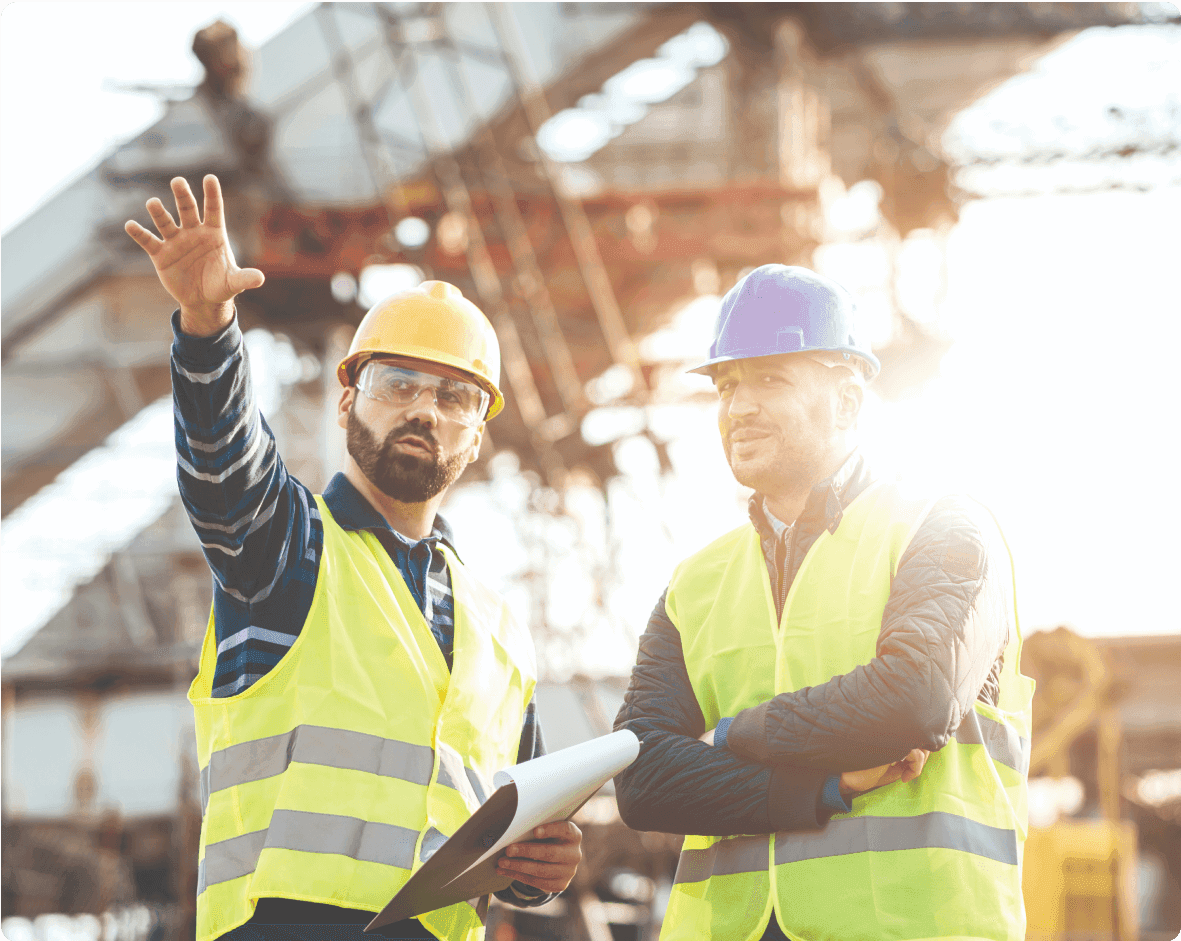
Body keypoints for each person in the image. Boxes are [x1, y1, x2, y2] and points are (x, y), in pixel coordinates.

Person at [125, 175, 582, 941]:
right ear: (347, 401)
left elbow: (505, 820)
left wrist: (543, 868)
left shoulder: (499, 632)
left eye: (453, 397)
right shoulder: (286, 549)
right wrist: (208, 325)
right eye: (396, 382)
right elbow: (223, 467)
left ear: (475, 436)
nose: (422, 409)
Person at [613, 265, 1035, 941]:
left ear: (846, 401)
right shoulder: (695, 582)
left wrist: (728, 737)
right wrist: (817, 787)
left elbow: (913, 698)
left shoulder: (942, 528)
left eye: (769, 378)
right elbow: (641, 776)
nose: (738, 406)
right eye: (726, 385)